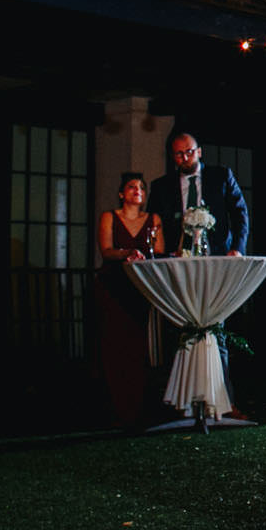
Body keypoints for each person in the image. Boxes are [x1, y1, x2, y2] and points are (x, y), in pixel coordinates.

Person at [96, 172, 161, 429]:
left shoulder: (153, 219)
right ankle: (113, 406)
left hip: (139, 286)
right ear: (122, 193)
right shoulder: (109, 217)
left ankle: (137, 405)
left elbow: (158, 251)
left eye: (141, 188)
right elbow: (106, 250)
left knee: (136, 344)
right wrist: (127, 253)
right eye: (132, 187)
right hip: (113, 284)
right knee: (113, 343)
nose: (138, 191)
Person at [147, 131, 249, 256]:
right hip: (176, 257)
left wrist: (237, 248)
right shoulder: (161, 186)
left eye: (189, 152)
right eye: (179, 154)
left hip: (218, 253)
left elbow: (240, 214)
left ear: (199, 152)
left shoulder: (221, 176)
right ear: (173, 156)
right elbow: (152, 222)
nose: (185, 158)